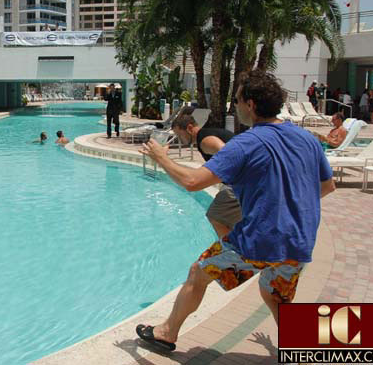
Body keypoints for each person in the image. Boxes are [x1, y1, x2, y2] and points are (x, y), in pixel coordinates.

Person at [135, 69, 335, 352]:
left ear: (250, 105)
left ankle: (167, 333)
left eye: (238, 100)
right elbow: (328, 186)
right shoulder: (306, 139)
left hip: (258, 241)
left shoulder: (246, 143)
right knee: (275, 296)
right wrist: (291, 206)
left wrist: (162, 158)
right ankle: (298, 346)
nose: (237, 106)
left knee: (198, 273)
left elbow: (193, 182)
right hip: (299, 241)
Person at [171, 114, 240, 239]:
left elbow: (230, 156)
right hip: (244, 181)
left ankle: (231, 250)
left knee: (215, 216)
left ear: (190, 128)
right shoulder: (207, 134)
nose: (178, 139)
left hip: (241, 183)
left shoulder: (205, 140)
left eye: (179, 134)